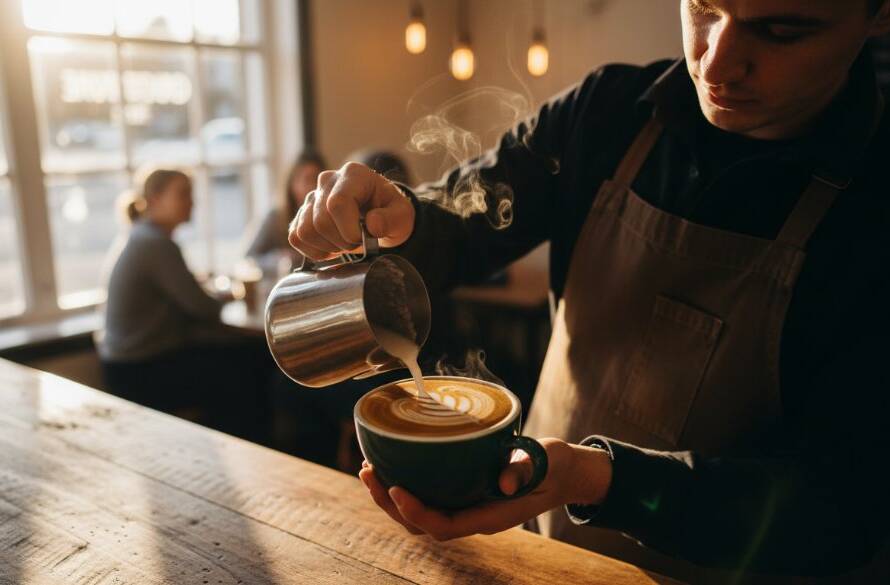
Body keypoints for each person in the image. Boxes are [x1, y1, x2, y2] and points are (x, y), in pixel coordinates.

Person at [287, 1, 890, 582]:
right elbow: (466, 219)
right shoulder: (607, 112)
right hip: (543, 552)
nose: (717, 62)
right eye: (704, 7)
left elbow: (845, 512)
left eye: (782, 31)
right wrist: (401, 218)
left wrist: (598, 480)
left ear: (879, 14)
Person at [97, 168, 272, 442]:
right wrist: (228, 295)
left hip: (125, 364)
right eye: (183, 194)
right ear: (155, 199)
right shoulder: (156, 244)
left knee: (239, 358)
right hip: (140, 371)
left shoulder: (141, 236)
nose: (193, 202)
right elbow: (204, 309)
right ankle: (253, 448)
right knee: (252, 361)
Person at [244, 150, 326, 274]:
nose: (310, 187)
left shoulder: (328, 217)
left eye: (315, 179)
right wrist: (280, 259)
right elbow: (249, 259)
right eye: (305, 179)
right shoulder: (276, 218)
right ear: (291, 183)